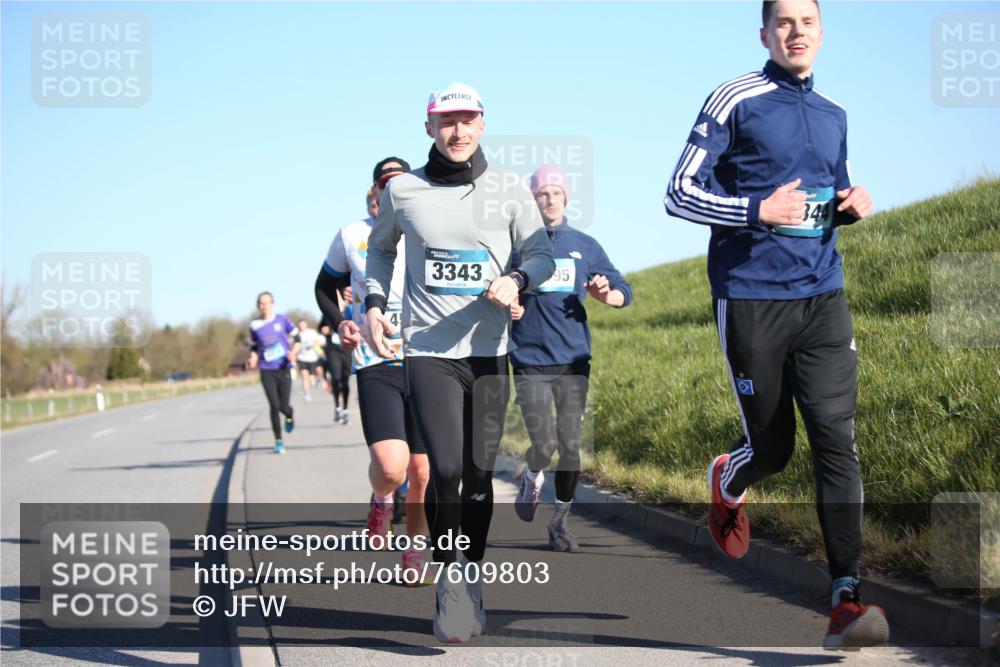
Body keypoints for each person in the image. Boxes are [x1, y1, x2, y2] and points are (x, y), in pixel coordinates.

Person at [663, 0, 887, 650]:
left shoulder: (834, 113)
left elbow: (828, 193)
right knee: (774, 448)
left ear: (821, 33)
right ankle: (727, 479)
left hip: (822, 295)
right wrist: (757, 207)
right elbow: (678, 191)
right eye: (784, 22)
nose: (797, 32)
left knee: (836, 440)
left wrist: (850, 204)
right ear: (766, 33)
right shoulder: (735, 98)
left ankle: (846, 594)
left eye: (808, 21)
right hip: (751, 296)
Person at [364, 82, 554, 643]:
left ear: (483, 124)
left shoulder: (509, 189)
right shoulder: (404, 191)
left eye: (468, 119)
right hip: (428, 352)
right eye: (446, 121)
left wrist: (516, 278)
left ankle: (470, 575)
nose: (458, 130)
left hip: (489, 353)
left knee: (475, 481)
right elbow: (380, 249)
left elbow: (541, 253)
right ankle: (448, 580)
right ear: (429, 128)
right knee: (444, 470)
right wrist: (375, 302)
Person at [315, 157, 432, 586]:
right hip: (376, 357)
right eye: (386, 183)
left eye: (403, 182)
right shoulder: (353, 235)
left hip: (428, 360)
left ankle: (416, 549)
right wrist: (342, 321)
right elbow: (324, 286)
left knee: (422, 472)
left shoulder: (432, 231)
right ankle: (382, 497)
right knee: (391, 466)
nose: (394, 189)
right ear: (376, 191)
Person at [510, 164, 633, 552]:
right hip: (528, 358)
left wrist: (605, 295)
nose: (549, 199)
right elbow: (491, 288)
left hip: (573, 360)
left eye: (556, 193)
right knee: (544, 444)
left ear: (566, 198)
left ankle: (559, 523)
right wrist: (507, 303)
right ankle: (531, 476)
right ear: (532, 200)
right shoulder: (515, 245)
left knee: (570, 446)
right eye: (541, 194)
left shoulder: (585, 245)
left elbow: (623, 290)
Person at [246, 292, 298, 454]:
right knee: (274, 406)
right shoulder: (254, 325)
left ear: (273, 303)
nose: (264, 306)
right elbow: (254, 347)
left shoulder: (282, 320)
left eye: (267, 303)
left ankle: (289, 415)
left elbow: (298, 338)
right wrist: (253, 358)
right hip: (266, 369)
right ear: (258, 306)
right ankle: (278, 440)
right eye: (261, 304)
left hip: (283, 367)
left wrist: (293, 352)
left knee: (284, 406)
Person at [295, 319, 325, 402]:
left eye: (303, 325)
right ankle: (307, 394)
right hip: (302, 358)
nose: (302, 327)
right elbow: (294, 346)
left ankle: (321, 379)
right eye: (300, 325)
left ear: (306, 325)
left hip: (312, 358)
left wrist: (316, 345)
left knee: (313, 377)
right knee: (305, 376)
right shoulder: (296, 334)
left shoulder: (312, 333)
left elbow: (320, 341)